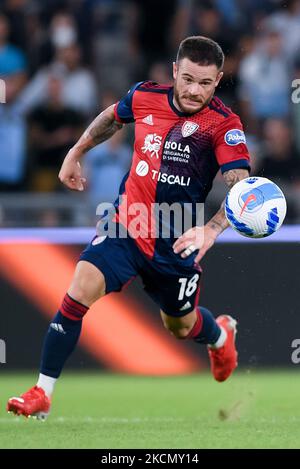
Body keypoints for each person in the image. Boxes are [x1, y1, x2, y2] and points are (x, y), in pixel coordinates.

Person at [7, 36, 250, 420]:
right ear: (174, 71)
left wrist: (212, 229)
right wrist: (76, 152)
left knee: (180, 325)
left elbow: (240, 186)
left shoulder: (223, 124)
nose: (193, 90)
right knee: (81, 286)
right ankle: (42, 391)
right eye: (187, 79)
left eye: (205, 83)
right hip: (126, 224)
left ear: (218, 80)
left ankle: (220, 336)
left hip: (178, 240)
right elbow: (111, 118)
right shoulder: (145, 96)